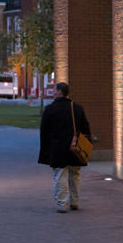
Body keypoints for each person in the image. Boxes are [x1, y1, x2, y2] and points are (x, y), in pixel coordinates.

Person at [38, 82, 91, 213]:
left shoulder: (50, 109)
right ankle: (74, 201)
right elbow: (86, 128)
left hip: (58, 149)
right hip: (75, 148)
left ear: (59, 92)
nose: (53, 93)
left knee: (60, 176)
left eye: (54, 91)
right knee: (75, 175)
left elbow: (44, 132)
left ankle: (62, 204)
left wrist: (45, 151)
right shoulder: (77, 108)